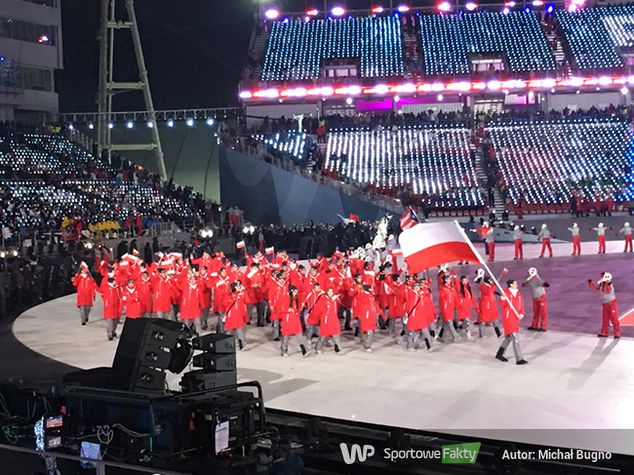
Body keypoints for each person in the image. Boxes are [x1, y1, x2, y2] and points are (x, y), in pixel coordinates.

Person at [495, 280, 528, 365]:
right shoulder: (505, 293)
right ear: (511, 285)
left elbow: (521, 305)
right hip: (509, 319)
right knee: (515, 338)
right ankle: (519, 359)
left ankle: (499, 354)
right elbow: (502, 306)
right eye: (515, 283)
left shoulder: (518, 294)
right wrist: (502, 299)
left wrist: (521, 313)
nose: (516, 284)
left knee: (508, 338)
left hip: (516, 318)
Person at [404, 281, 434, 352]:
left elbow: (428, 302)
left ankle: (429, 346)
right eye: (415, 287)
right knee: (413, 333)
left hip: (422, 317)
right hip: (413, 317)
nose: (417, 288)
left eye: (418, 286)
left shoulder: (422, 295)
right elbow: (408, 300)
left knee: (425, 331)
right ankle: (410, 346)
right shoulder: (411, 294)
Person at [588, 272, 620, 338]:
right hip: (605, 304)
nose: (601, 277)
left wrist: (601, 289)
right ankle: (604, 333)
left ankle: (617, 333)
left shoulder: (608, 283)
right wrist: (591, 284)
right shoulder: (602, 284)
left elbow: (606, 291)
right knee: (605, 319)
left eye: (602, 276)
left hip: (611, 304)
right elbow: (597, 290)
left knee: (614, 318)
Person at [280, 286, 309, 357]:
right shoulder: (284, 298)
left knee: (299, 334)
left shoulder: (296, 298)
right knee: (286, 336)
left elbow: (298, 308)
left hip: (295, 319)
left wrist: (300, 309)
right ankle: (284, 350)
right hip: (287, 319)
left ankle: (303, 349)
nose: (296, 293)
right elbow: (280, 308)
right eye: (295, 292)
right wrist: (288, 310)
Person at [352, 284, 381, 352]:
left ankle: (365, 343)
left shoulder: (370, 295)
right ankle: (367, 346)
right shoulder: (361, 296)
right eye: (370, 288)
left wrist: (380, 312)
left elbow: (374, 305)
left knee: (367, 331)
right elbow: (357, 305)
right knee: (368, 332)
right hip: (365, 316)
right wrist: (357, 314)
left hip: (371, 316)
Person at [314, 287, 342, 354]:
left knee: (336, 334)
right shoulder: (323, 299)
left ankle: (338, 347)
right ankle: (318, 347)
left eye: (331, 291)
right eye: (329, 291)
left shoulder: (335, 299)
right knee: (324, 335)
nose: (330, 293)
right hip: (326, 319)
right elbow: (319, 309)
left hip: (334, 319)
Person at [474, 270, 502, 338]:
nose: (491, 281)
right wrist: (494, 285)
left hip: (492, 305)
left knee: (495, 319)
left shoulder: (489, 286)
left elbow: (492, 290)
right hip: (485, 306)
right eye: (490, 280)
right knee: (483, 320)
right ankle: (482, 334)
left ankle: (498, 333)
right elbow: (489, 291)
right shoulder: (483, 286)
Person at [522, 267, 549, 331]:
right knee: (536, 312)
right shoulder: (531, 279)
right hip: (535, 298)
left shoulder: (537, 279)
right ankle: (534, 326)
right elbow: (527, 283)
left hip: (541, 297)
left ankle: (543, 327)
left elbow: (542, 283)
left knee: (543, 312)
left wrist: (545, 284)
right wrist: (525, 284)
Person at [224, 281, 248, 350]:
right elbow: (225, 303)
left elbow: (245, 302)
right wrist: (231, 297)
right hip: (231, 315)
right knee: (229, 331)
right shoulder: (228, 295)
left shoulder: (240, 294)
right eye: (237, 286)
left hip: (239, 315)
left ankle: (242, 344)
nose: (239, 287)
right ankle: (227, 344)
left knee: (240, 330)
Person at [180, 269, 202, 334]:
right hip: (186, 307)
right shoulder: (185, 286)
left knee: (197, 322)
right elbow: (177, 283)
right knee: (186, 324)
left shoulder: (198, 288)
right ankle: (186, 336)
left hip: (195, 308)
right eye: (191, 279)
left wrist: (201, 305)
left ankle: (199, 336)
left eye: (194, 279)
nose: (192, 281)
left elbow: (201, 298)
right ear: (189, 280)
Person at [99, 276, 120, 341]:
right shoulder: (106, 288)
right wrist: (106, 301)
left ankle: (113, 331)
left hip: (116, 307)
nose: (116, 282)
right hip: (109, 307)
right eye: (114, 281)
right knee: (109, 321)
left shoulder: (116, 288)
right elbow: (101, 293)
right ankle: (110, 334)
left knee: (116, 321)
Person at [456, 275, 476, 340]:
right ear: (461, 281)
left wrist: (475, 306)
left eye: (466, 280)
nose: (465, 281)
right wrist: (455, 277)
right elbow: (456, 285)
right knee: (466, 321)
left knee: (465, 321)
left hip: (468, 307)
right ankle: (468, 335)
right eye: (464, 280)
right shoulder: (460, 288)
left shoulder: (468, 288)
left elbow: (472, 297)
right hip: (462, 308)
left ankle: (459, 328)